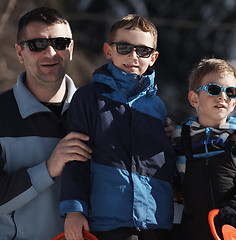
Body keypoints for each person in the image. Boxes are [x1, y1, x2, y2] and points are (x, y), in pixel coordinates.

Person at [59, 14, 176, 240]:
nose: (133, 56)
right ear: (109, 50)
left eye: (143, 51)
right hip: (108, 221)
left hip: (155, 221)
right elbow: (76, 157)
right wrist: (74, 209)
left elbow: (161, 162)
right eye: (124, 47)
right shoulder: (89, 98)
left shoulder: (157, 106)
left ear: (153, 57)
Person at [0, 7, 92, 240]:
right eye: (37, 44)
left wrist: (153, 130)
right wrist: (48, 169)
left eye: (60, 43)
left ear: (70, 49)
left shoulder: (97, 112)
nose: (50, 53)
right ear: (20, 53)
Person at [171, 58, 236, 240]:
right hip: (193, 230)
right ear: (194, 98)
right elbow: (174, 181)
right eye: (214, 89)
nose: (223, 96)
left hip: (233, 229)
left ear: (234, 103)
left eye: (230, 92)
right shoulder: (181, 137)